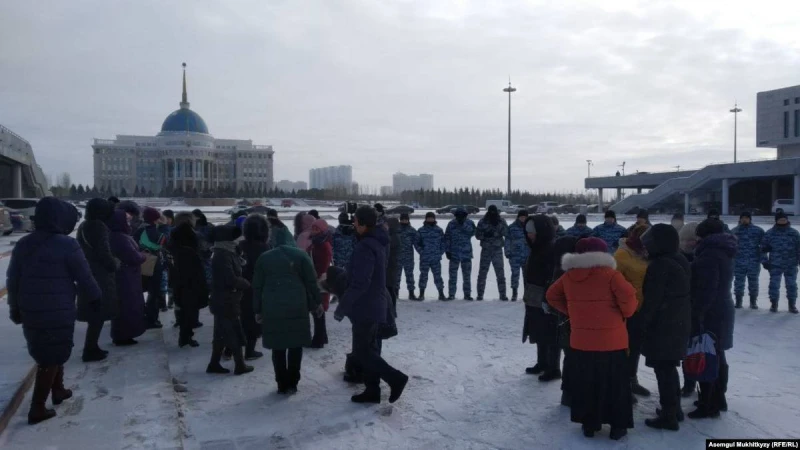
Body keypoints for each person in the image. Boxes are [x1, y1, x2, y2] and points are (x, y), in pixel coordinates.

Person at [7, 198, 102, 425]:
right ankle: (38, 407)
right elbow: (84, 276)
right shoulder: (67, 245)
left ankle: (58, 388)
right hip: (58, 308)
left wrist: (14, 307)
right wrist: (96, 297)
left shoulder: (24, 244)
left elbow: (13, 279)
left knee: (49, 349)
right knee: (51, 354)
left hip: (30, 308)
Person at [546, 237, 637, 440]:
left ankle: (589, 424)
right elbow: (629, 302)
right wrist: (622, 313)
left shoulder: (569, 276)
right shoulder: (612, 275)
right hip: (612, 342)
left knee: (587, 383)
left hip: (581, 342)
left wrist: (572, 312)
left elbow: (552, 295)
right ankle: (617, 426)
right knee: (615, 385)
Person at [334, 206, 409, 404]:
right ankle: (372, 389)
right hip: (375, 303)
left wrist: (343, 306)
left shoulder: (366, 246)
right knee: (371, 349)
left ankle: (396, 378)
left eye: (355, 221)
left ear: (362, 223)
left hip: (365, 306)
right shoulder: (376, 241)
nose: (353, 224)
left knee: (362, 351)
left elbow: (360, 283)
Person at [252, 229, 324, 394]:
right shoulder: (301, 256)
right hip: (297, 305)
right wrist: (317, 302)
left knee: (278, 346)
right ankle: (293, 382)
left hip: (272, 306)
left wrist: (257, 309)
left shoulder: (264, 258)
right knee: (295, 344)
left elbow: (257, 286)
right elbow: (311, 282)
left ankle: (281, 382)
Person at [639, 224, 692, 430]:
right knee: (669, 368)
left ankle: (669, 416)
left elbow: (652, 300)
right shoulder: (678, 258)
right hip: (677, 322)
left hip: (663, 326)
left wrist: (642, 323)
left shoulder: (660, 265)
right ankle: (674, 410)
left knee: (664, 371)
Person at [689, 218, 737, 419]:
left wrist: (697, 313)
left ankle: (708, 404)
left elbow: (707, 289)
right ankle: (718, 398)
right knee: (717, 354)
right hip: (723, 307)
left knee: (707, 355)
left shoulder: (709, 255)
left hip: (711, 312)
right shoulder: (724, 250)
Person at [207, 225, 254, 375]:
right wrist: (246, 284)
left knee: (220, 334)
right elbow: (230, 278)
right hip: (225, 300)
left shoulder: (227, 252)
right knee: (233, 332)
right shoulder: (222, 255)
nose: (239, 240)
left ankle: (214, 364)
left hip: (225, 299)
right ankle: (239, 365)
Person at [76, 198, 119, 362]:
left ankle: (92, 346)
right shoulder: (99, 226)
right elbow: (104, 251)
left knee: (94, 310)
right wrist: (113, 264)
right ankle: (90, 348)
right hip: (100, 274)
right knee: (98, 311)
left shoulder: (84, 225)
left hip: (87, 271)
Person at [613, 224, 651, 401]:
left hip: (643, 308)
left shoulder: (647, 253)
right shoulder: (622, 254)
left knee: (635, 347)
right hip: (627, 309)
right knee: (624, 348)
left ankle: (632, 379)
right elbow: (614, 282)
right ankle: (622, 385)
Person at [522, 214, 560, 382]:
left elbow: (553, 275)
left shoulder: (551, 249)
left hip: (546, 297)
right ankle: (542, 362)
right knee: (538, 330)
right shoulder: (537, 248)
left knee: (550, 332)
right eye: (528, 232)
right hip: (534, 296)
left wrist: (547, 296)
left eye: (532, 232)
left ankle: (554, 368)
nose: (529, 235)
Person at [168, 218, 209, 348]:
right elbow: (198, 271)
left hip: (179, 284)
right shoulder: (189, 251)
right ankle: (186, 337)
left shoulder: (174, 249)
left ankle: (185, 336)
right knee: (189, 313)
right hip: (190, 286)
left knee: (183, 311)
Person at [108, 209, 147, 346]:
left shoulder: (114, 235)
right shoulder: (121, 238)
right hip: (127, 277)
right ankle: (124, 335)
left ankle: (123, 334)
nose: (129, 223)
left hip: (125, 275)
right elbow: (133, 257)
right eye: (127, 220)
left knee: (124, 305)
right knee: (128, 306)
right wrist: (143, 256)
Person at [551, 234, 580, 406]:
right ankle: (570, 393)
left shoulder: (560, 267)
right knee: (573, 357)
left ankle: (568, 393)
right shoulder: (569, 270)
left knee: (570, 357)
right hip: (571, 321)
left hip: (566, 320)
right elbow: (553, 296)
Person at [237, 214, 270, 359]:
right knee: (254, 320)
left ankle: (231, 349)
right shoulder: (265, 248)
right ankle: (250, 351)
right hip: (257, 288)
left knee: (241, 318)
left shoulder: (240, 246)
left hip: (240, 286)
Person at [761, 210, 800, 313]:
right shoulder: (770, 233)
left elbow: (799, 248)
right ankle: (774, 304)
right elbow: (762, 249)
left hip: (791, 264)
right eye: (780, 219)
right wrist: (764, 261)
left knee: (791, 285)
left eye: (784, 219)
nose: (782, 221)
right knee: (774, 285)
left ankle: (792, 305)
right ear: (776, 221)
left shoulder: (794, 233)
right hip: (775, 264)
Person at [678, 221, 700, 397]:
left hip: (700, 308)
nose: (687, 243)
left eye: (691, 239)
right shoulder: (678, 257)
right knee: (686, 348)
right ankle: (689, 383)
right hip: (683, 309)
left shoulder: (704, 257)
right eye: (684, 239)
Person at [135, 207, 166, 329]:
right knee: (154, 292)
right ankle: (151, 319)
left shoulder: (139, 229)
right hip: (153, 263)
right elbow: (164, 241)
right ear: (155, 219)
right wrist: (164, 227)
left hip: (140, 261)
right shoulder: (153, 230)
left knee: (140, 290)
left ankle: (141, 316)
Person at [732, 212, 765, 309]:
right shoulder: (734, 231)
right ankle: (738, 301)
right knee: (738, 282)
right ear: (740, 219)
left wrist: (764, 259)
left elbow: (763, 246)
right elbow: (730, 246)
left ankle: (753, 301)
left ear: (750, 219)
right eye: (743, 218)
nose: (744, 220)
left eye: (746, 218)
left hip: (753, 261)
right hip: (738, 261)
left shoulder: (758, 231)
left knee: (753, 282)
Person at [475, 205, 509, 301]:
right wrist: (485, 234)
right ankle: (480, 295)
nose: (492, 213)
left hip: (497, 250)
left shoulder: (501, 221)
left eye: (494, 211)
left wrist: (497, 232)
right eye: (491, 211)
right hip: (486, 250)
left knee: (500, 273)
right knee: (482, 273)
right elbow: (477, 235)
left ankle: (503, 295)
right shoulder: (482, 221)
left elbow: (506, 233)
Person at [309, 218, 333, 348]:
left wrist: (315, 276)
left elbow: (324, 265)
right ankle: (322, 337)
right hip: (318, 279)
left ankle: (318, 340)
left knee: (318, 308)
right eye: (313, 228)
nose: (313, 231)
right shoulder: (316, 242)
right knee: (318, 309)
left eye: (316, 228)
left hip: (321, 280)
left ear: (322, 230)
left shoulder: (323, 245)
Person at [445, 208, 476, 300]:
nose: (460, 217)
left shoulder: (469, 223)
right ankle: (451, 294)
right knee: (452, 276)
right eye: (459, 215)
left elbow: (473, 233)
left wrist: (463, 224)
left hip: (466, 253)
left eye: (462, 215)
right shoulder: (451, 224)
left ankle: (467, 294)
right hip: (454, 253)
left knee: (467, 276)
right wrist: (447, 250)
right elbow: (447, 237)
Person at [415, 212, 447, 301]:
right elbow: (416, 243)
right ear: (426, 219)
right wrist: (422, 252)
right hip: (424, 258)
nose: (430, 219)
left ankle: (441, 294)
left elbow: (443, 242)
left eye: (432, 218)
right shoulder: (421, 230)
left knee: (438, 276)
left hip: (435, 258)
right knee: (423, 276)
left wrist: (440, 252)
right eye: (428, 218)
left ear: (434, 219)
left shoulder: (439, 230)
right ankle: (421, 294)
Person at [505, 210, 530, 302]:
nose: (523, 219)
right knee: (515, 275)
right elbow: (507, 240)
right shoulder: (512, 227)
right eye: (521, 217)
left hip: (527, 256)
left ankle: (526, 294)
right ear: (518, 217)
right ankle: (514, 293)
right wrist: (507, 251)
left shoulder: (530, 227)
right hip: (514, 255)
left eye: (525, 217)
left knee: (526, 276)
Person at [397, 213, 419, 299]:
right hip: (397, 257)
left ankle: (411, 293)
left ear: (408, 220)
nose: (404, 221)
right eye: (402, 219)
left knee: (410, 276)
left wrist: (422, 252)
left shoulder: (412, 230)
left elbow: (417, 243)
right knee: (396, 276)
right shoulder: (396, 229)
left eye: (406, 219)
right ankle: (395, 293)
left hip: (408, 257)